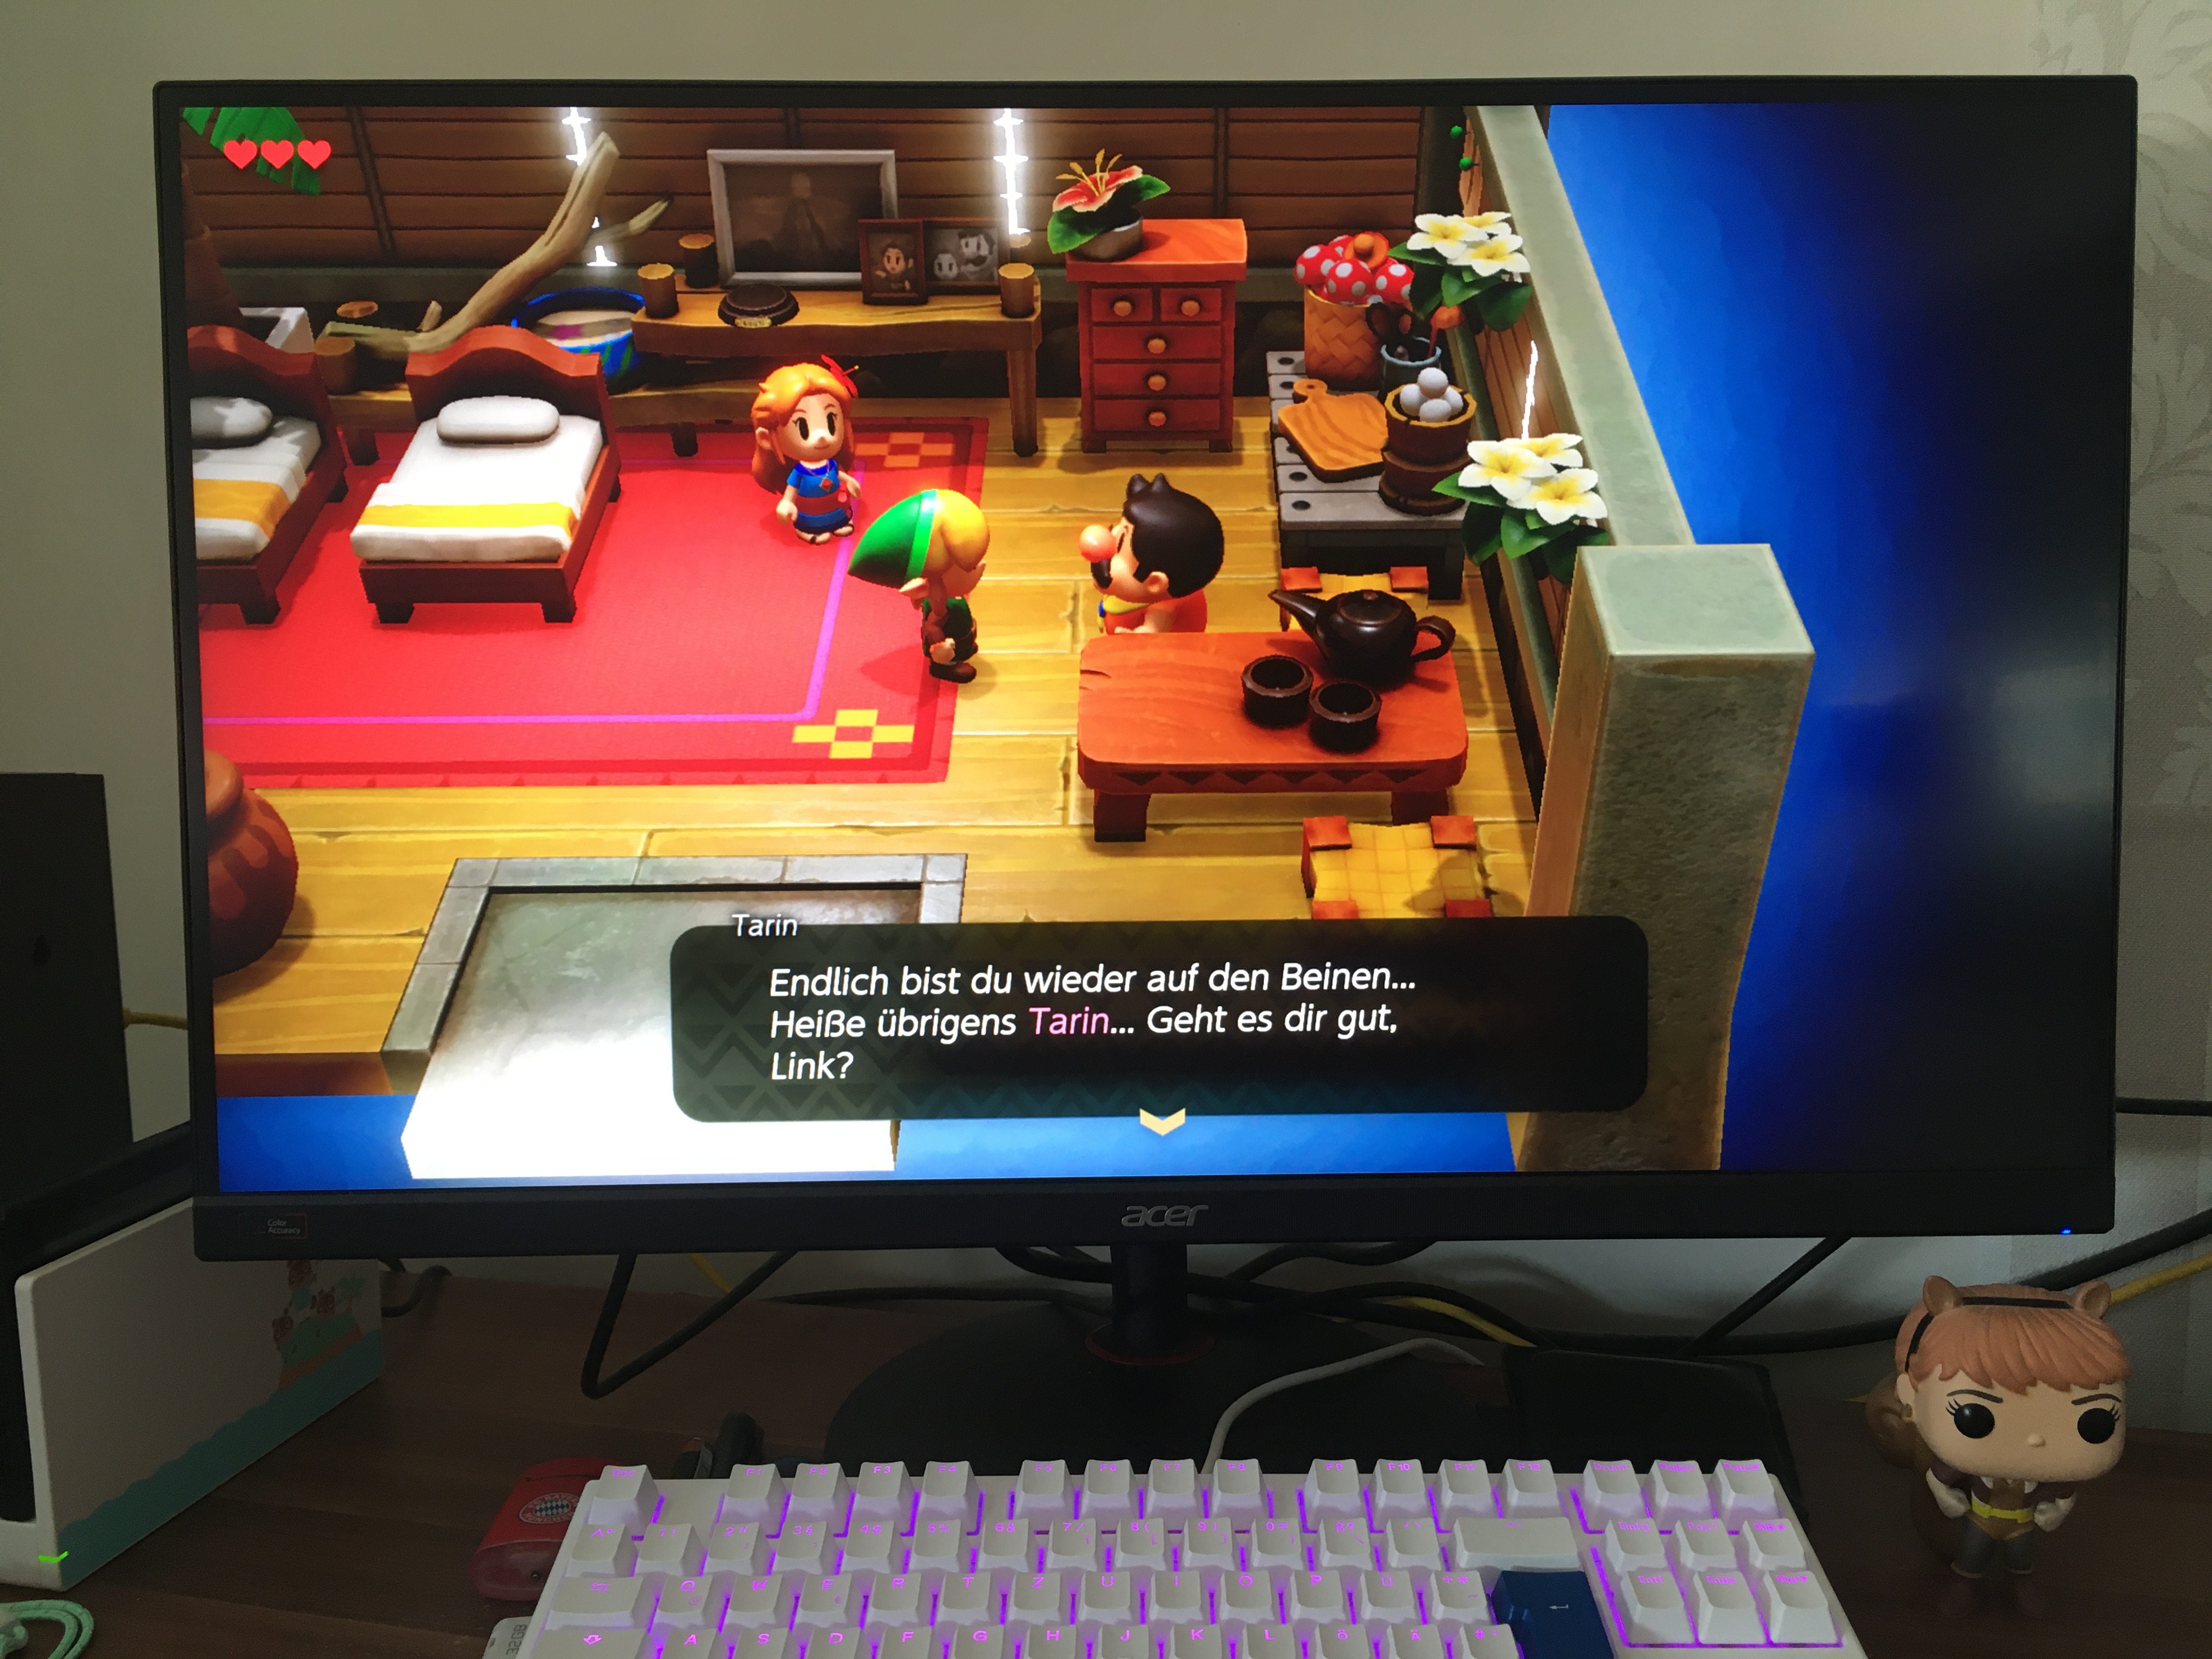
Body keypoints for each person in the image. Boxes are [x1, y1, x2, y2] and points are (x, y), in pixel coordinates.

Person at [1887, 1275, 2129, 1619]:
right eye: (1974, 1417)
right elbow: (1939, 1478)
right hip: (1981, 1519)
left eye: (2096, 1421)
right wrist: (1943, 1495)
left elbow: (2064, 1493)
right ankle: (1964, 1584)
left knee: (2022, 1559)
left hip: (2022, 1523)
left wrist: (2060, 1510)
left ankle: (2022, 1585)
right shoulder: (1964, 1465)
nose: (2035, 1440)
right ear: (1910, 1397)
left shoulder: (2043, 1474)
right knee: (1971, 1556)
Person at [847, 489, 989, 682]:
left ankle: (965, 648)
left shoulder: (945, 596)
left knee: (962, 636)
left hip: (960, 636)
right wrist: (941, 650)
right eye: (968, 568)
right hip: (951, 646)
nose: (979, 568)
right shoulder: (938, 608)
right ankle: (946, 668)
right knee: (951, 650)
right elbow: (933, 628)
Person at [1077, 473, 1224, 633]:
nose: (1105, 547)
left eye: (1120, 545)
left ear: (1155, 583)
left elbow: (1152, 632)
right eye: (1116, 530)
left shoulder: (1163, 609)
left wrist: (1137, 638)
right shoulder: (1137, 594)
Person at [751, 358, 862, 544]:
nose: (822, 436)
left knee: (838, 515)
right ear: (766, 439)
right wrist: (787, 503)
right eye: (803, 428)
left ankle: (837, 523)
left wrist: (850, 482)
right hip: (809, 515)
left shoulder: (832, 465)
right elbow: (791, 491)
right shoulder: (800, 472)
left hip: (834, 510)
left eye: (831, 422)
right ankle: (806, 530)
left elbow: (840, 475)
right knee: (810, 521)